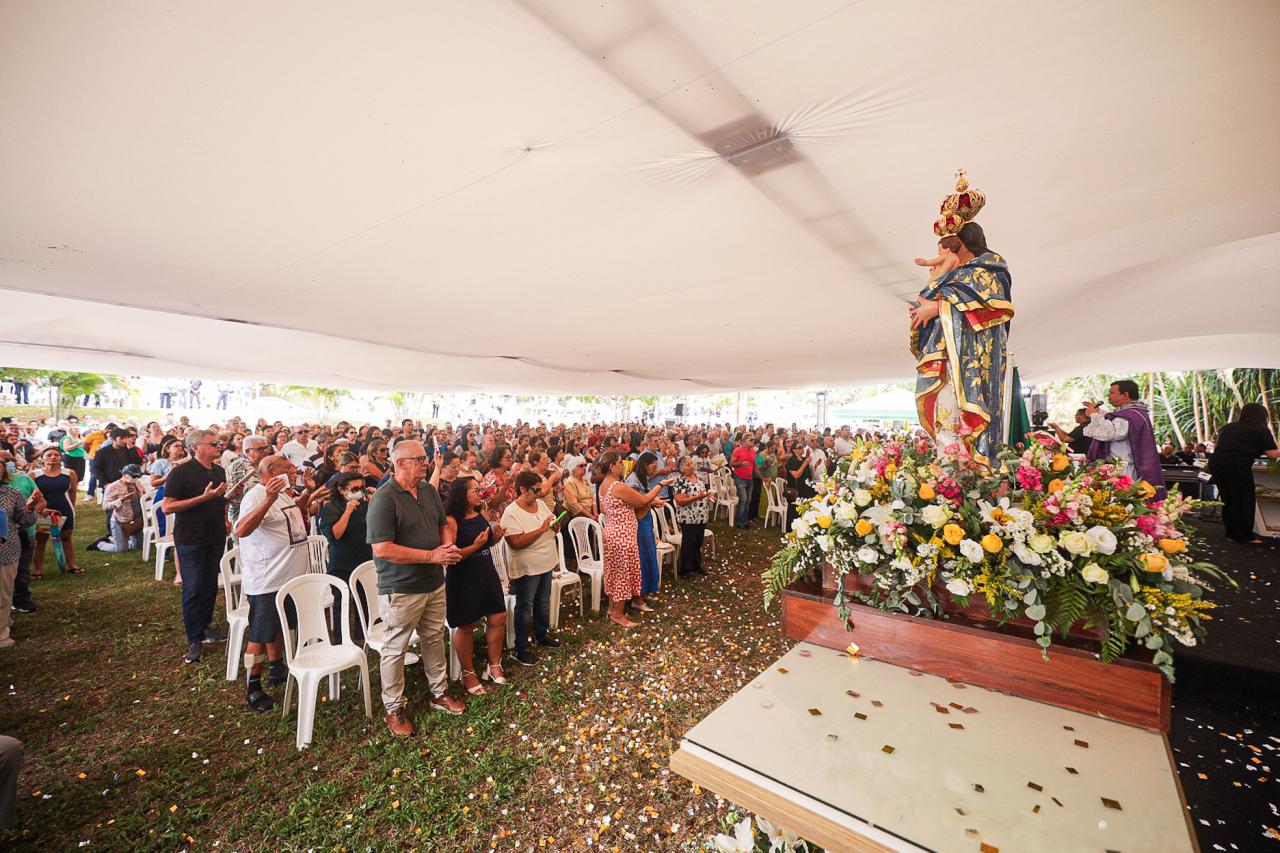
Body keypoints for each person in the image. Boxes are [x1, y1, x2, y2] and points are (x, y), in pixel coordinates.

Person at [909, 173, 1013, 458]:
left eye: (943, 246)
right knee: (945, 425)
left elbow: (991, 308)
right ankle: (947, 477)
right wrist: (939, 279)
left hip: (971, 363)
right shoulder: (951, 276)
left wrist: (939, 307)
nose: (939, 252)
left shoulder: (988, 271)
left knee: (960, 422)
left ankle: (967, 472)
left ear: (961, 244)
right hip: (945, 361)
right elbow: (923, 305)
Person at [366, 440, 464, 736]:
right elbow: (382, 548)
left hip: (433, 581)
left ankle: (439, 693)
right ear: (400, 463)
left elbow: (441, 523)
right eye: (419, 459)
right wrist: (432, 556)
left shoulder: (428, 490)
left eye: (425, 459)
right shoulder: (384, 499)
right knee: (396, 646)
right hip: (402, 586)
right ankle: (394, 708)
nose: (426, 463)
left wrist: (446, 544)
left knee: (433, 637)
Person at [234, 454, 311, 712]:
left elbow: (289, 517)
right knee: (260, 633)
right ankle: (253, 685)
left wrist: (308, 494)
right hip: (268, 578)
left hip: (290, 577)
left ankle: (277, 667)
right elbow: (242, 529)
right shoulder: (257, 495)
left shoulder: (285, 491)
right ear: (270, 470)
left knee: (282, 625)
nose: (293, 469)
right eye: (287, 467)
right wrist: (268, 499)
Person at [162, 430, 232, 664]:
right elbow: (168, 507)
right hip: (191, 537)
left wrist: (226, 506)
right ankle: (194, 638)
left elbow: (219, 499)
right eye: (213, 443)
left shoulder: (218, 470)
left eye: (219, 443)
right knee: (193, 587)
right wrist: (202, 498)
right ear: (196, 447)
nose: (218, 446)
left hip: (215, 534)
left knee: (210, 584)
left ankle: (205, 627)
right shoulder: (180, 472)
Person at [442, 476, 509, 692]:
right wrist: (475, 545)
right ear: (462, 494)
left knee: (498, 616)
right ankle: (468, 673)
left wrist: (495, 538)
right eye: (474, 490)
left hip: (486, 571)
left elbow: (486, 543)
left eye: (479, 489)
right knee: (466, 625)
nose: (479, 493)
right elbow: (451, 555)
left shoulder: (480, 512)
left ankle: (494, 665)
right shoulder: (452, 520)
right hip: (463, 576)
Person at [595, 451, 666, 628]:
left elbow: (604, 508)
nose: (624, 465)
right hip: (622, 536)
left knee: (614, 573)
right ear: (612, 466)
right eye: (620, 462)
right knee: (622, 575)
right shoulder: (617, 486)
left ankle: (612, 609)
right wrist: (660, 485)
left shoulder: (604, 484)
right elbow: (643, 501)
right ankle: (618, 614)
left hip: (612, 532)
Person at [500, 471, 562, 667]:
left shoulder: (541, 504)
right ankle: (521, 648)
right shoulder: (511, 513)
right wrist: (542, 529)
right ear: (522, 489)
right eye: (535, 490)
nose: (539, 493)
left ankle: (541, 636)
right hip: (528, 566)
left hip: (546, 561)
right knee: (525, 606)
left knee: (543, 601)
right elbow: (516, 542)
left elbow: (549, 524)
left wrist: (555, 526)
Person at [1210, 403, 1280, 544]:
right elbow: (1273, 454)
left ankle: (1231, 533)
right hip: (1238, 465)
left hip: (1217, 463)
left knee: (1228, 499)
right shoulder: (1260, 429)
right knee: (1244, 499)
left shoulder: (1229, 427)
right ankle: (1244, 535)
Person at [316, 472, 373, 644]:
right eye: (354, 489)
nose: (359, 492)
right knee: (342, 602)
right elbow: (335, 535)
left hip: (364, 558)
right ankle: (341, 639)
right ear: (341, 490)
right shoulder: (331, 508)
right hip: (342, 562)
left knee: (364, 600)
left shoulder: (365, 504)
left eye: (361, 488)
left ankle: (362, 635)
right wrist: (347, 511)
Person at [1084, 379, 1167, 497]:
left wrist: (1094, 415)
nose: (1108, 395)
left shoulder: (1130, 415)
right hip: (1122, 468)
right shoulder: (1134, 413)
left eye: (1112, 393)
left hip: (1123, 472)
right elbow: (1113, 421)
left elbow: (1110, 433)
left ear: (1125, 395)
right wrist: (1098, 412)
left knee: (1120, 507)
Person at [0, 463, 38, 648]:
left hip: (6, 551)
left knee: (3, 594)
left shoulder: (12, 494)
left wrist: (30, 508)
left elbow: (25, 522)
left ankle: (2, 633)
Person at [33, 447, 81, 574]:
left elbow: (73, 492)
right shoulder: (34, 475)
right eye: (49, 455)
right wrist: (39, 509)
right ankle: (38, 569)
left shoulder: (69, 473)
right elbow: (30, 495)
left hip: (65, 509)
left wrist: (72, 508)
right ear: (42, 458)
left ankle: (71, 564)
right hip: (43, 511)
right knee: (40, 540)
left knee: (66, 537)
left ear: (61, 457)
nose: (53, 457)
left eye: (56, 455)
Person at [671, 456, 711, 578]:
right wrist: (697, 497)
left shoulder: (696, 477)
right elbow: (680, 500)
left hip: (701, 515)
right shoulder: (680, 481)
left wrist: (707, 497)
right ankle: (686, 569)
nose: (691, 466)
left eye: (691, 464)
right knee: (689, 542)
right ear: (681, 468)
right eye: (688, 465)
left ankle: (696, 566)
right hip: (688, 517)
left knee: (698, 541)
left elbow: (700, 492)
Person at [95, 464, 144, 552]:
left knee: (138, 546)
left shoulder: (136, 484)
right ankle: (100, 544)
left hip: (137, 520)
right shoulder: (113, 486)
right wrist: (122, 500)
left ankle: (117, 540)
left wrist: (143, 492)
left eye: (138, 476)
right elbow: (105, 506)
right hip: (120, 521)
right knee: (121, 549)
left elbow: (143, 497)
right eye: (134, 476)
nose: (136, 478)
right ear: (125, 475)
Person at [224, 434, 271, 522]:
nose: (265, 451)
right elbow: (234, 497)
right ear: (247, 451)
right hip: (244, 514)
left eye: (267, 448)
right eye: (260, 449)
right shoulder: (237, 467)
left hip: (267, 511)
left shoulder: (267, 463)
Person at [730, 438, 757, 529]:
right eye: (751, 440)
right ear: (746, 441)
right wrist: (741, 463)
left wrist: (762, 477)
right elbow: (732, 463)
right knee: (743, 499)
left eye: (753, 441)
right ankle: (739, 521)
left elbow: (755, 466)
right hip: (740, 477)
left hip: (749, 478)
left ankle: (744, 521)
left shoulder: (753, 452)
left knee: (748, 500)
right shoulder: (738, 450)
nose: (753, 442)